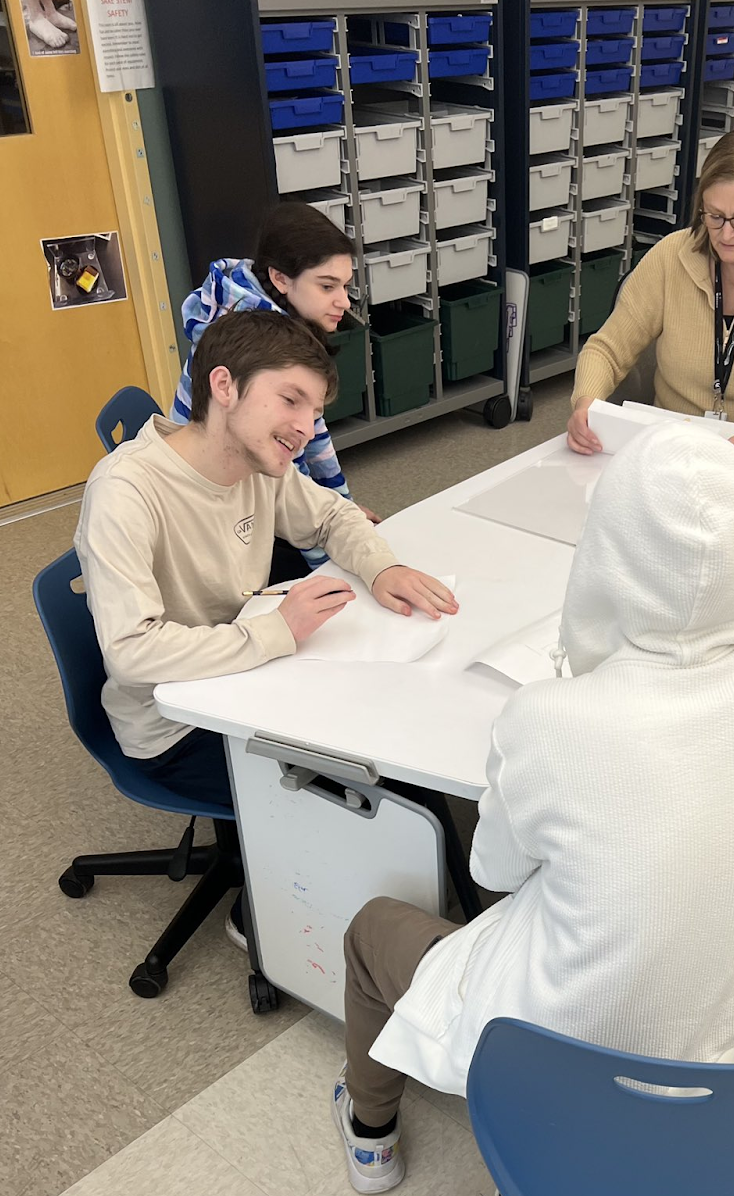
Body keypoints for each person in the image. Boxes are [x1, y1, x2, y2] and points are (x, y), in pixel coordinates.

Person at [333, 424, 734, 1196]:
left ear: (604, 560)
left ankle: (372, 1135)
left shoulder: (549, 719)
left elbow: (493, 872)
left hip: (567, 1062)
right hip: (729, 1041)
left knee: (374, 930)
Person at [75, 309, 457, 825]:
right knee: (388, 795)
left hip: (250, 674)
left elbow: (332, 516)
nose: (305, 428)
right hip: (176, 726)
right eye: (290, 400)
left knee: (396, 734)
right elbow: (131, 653)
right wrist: (278, 631)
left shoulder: (256, 460)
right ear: (224, 386)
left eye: (314, 411)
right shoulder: (125, 492)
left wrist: (381, 568)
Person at [566, 129, 734, 477]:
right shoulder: (671, 256)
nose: (726, 234)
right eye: (714, 216)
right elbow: (606, 349)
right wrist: (586, 405)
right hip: (676, 440)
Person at [171, 201, 381, 527]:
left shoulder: (271, 313)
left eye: (345, 286)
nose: (343, 301)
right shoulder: (262, 349)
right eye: (327, 286)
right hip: (213, 505)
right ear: (280, 278)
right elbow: (285, 474)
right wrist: (333, 523)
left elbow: (310, 434)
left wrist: (341, 506)